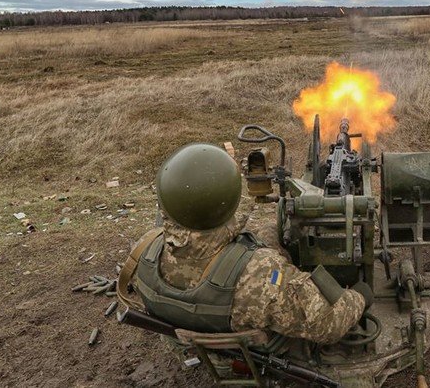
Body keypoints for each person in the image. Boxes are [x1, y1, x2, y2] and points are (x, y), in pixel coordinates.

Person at [118, 142, 370, 345]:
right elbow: (328, 325)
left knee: (270, 231)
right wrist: (359, 295)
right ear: (229, 199)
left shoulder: (145, 250)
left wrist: (272, 237)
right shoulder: (260, 277)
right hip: (249, 345)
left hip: (198, 321)